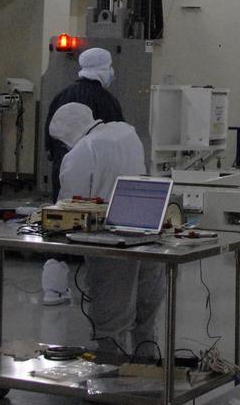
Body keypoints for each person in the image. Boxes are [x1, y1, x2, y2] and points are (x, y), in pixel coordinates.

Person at [49, 102, 166, 357]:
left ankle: (112, 370)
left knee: (111, 315)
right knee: (146, 308)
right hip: (147, 227)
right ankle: (147, 364)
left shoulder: (81, 152)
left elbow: (69, 206)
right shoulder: (126, 131)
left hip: (108, 240)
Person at [42, 47, 126, 305]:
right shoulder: (107, 101)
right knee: (99, 228)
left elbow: (49, 140)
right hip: (100, 178)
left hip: (63, 172)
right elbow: (118, 142)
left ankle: (53, 288)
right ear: (105, 68)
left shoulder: (61, 96)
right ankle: (97, 288)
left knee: (61, 223)